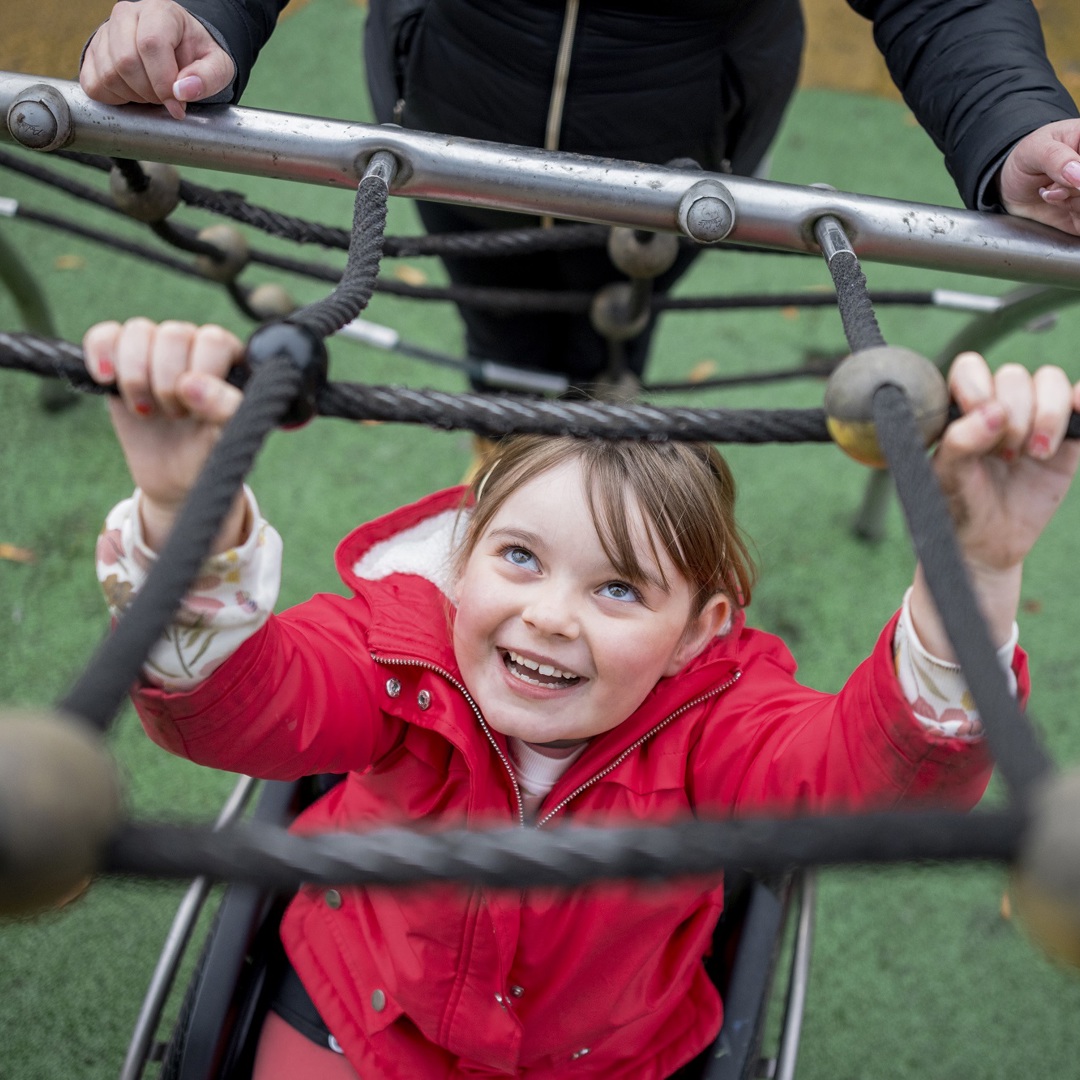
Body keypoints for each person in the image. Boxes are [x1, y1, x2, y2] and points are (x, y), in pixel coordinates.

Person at [84, 314, 1080, 1078]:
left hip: (603, 1057)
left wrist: (974, 572)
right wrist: (184, 514)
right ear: (464, 561)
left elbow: (870, 785)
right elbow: (238, 704)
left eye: (617, 589)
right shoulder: (402, 651)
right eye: (520, 558)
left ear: (700, 631)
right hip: (358, 1009)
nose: (553, 617)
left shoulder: (713, 717)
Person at [79, 0, 1080, 396]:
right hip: (452, 124)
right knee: (499, 340)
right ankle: (513, 461)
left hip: (678, 160)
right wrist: (199, 10)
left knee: (618, 332)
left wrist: (1009, 120)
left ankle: (607, 419)